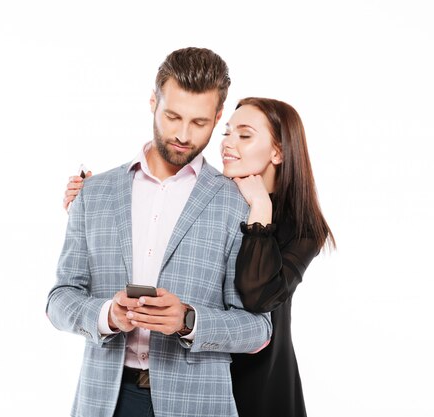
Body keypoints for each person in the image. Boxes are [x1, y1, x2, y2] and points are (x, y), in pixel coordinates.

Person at [64, 97, 335, 417]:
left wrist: (261, 210)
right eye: (227, 133)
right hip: (192, 374)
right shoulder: (216, 199)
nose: (228, 144)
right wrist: (92, 203)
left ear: (278, 152)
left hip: (259, 380)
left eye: (244, 136)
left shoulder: (303, 229)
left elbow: (259, 297)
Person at [47, 47, 272, 417]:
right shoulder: (96, 193)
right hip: (105, 400)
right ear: (153, 101)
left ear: (218, 118)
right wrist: (106, 315)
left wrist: (189, 320)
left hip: (199, 404)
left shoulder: (237, 203)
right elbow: (59, 300)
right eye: (172, 116)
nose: (183, 134)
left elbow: (259, 328)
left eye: (200, 123)